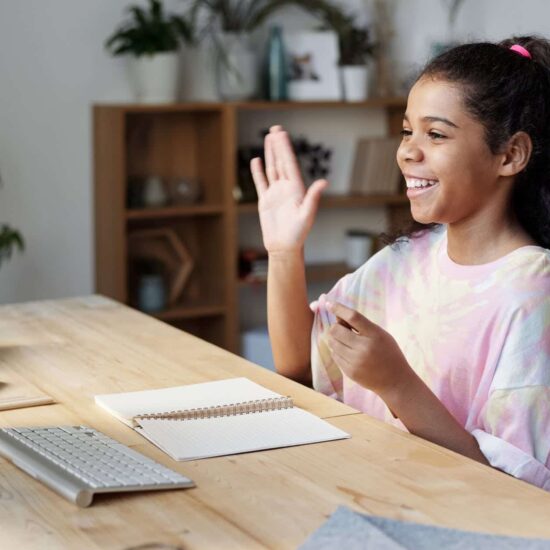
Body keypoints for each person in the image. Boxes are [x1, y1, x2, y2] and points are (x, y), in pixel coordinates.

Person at [250, 36, 550, 490]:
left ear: (509, 155)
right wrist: (284, 251)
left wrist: (397, 386)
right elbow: (297, 365)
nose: (408, 151)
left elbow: (514, 492)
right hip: (373, 496)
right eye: (408, 130)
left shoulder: (531, 294)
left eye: (436, 134)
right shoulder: (404, 260)